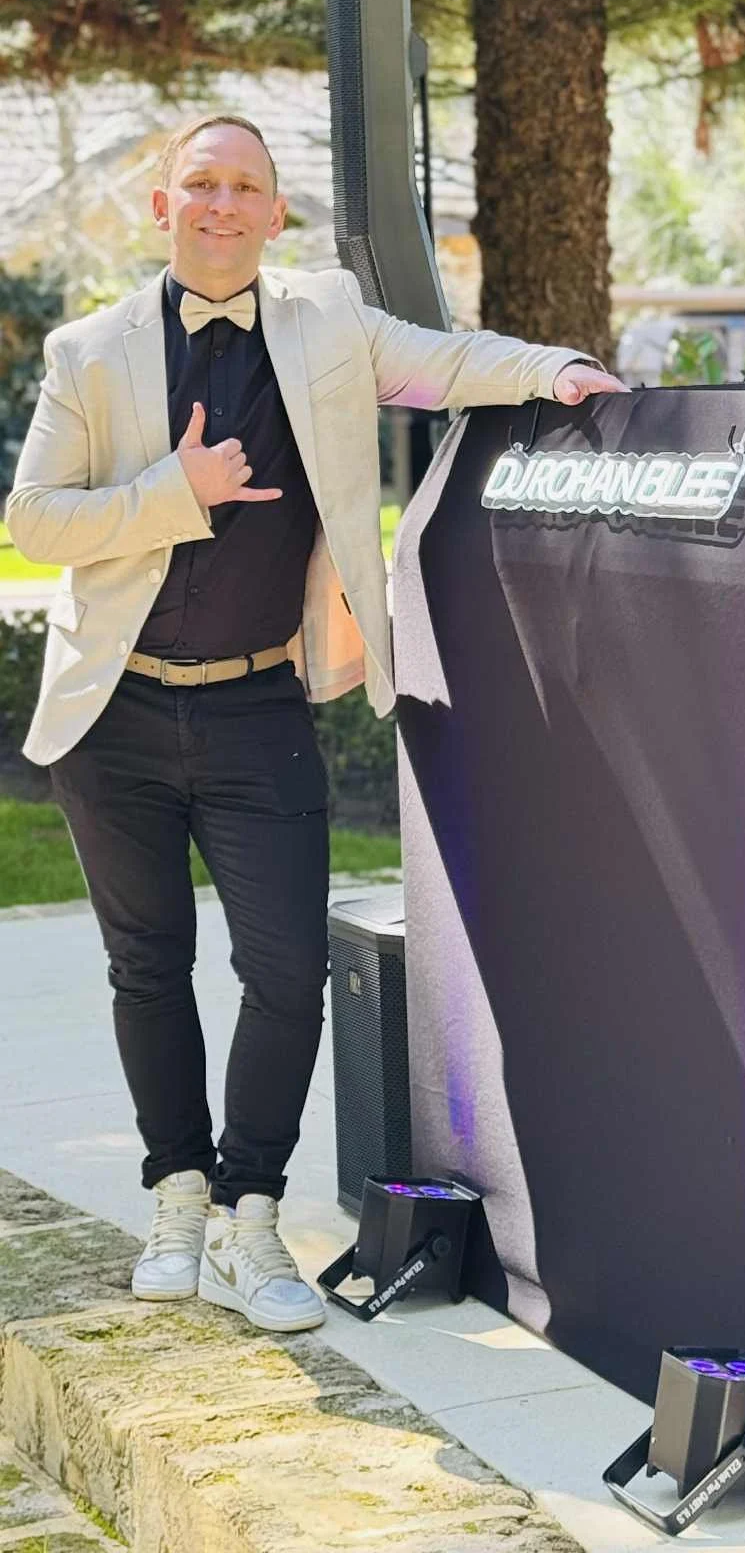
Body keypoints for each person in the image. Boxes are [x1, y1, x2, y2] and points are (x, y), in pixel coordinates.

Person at [5, 112, 626, 1333]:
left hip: (257, 704)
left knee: (288, 972)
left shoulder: (327, 319)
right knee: (148, 966)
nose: (222, 204)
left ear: (275, 212)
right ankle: (177, 1195)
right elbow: (34, 519)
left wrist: (553, 369)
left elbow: (445, 363)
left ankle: (251, 1210)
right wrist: (171, 492)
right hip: (113, 713)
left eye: (246, 186)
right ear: (162, 205)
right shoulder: (90, 351)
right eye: (200, 183)